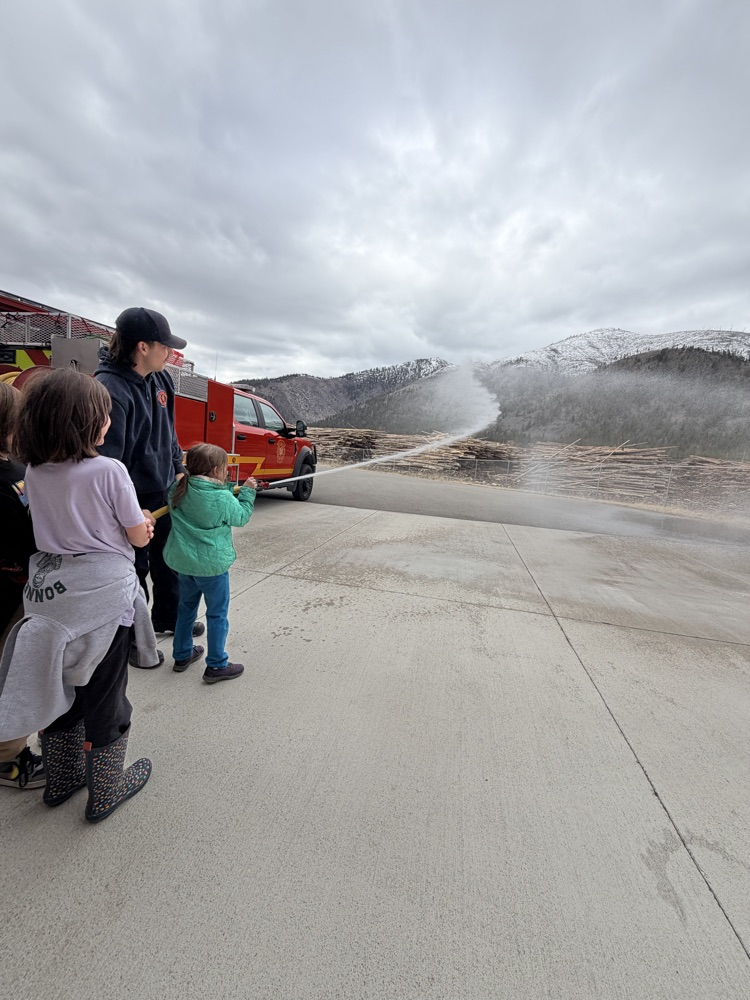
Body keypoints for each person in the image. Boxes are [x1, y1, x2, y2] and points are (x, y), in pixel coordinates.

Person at [0, 369, 158, 822]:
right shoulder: (109, 470)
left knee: (61, 685)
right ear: (86, 422)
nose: (109, 421)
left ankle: (62, 778)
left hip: (50, 597)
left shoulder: (33, 471)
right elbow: (137, 536)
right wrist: (144, 525)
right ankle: (105, 789)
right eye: (104, 414)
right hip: (101, 601)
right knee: (106, 694)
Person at [95, 307, 204, 663]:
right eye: (165, 346)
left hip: (163, 489)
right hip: (130, 495)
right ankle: (134, 638)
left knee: (169, 560)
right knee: (135, 567)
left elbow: (169, 432)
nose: (170, 352)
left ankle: (168, 618)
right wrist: (129, 508)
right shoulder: (109, 389)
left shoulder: (162, 381)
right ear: (143, 347)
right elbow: (109, 462)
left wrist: (179, 470)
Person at [164, 443, 256, 684]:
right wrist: (248, 493)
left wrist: (227, 489)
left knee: (186, 609)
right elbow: (241, 516)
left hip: (185, 564)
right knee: (217, 614)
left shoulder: (178, 488)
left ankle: (182, 655)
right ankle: (216, 664)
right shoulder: (222, 497)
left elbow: (203, 495)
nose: (227, 472)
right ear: (216, 470)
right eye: (225, 468)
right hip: (212, 568)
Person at [0, 381, 44, 790]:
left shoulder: (17, 470)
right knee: (13, 674)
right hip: (12, 592)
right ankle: (8, 760)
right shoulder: (10, 478)